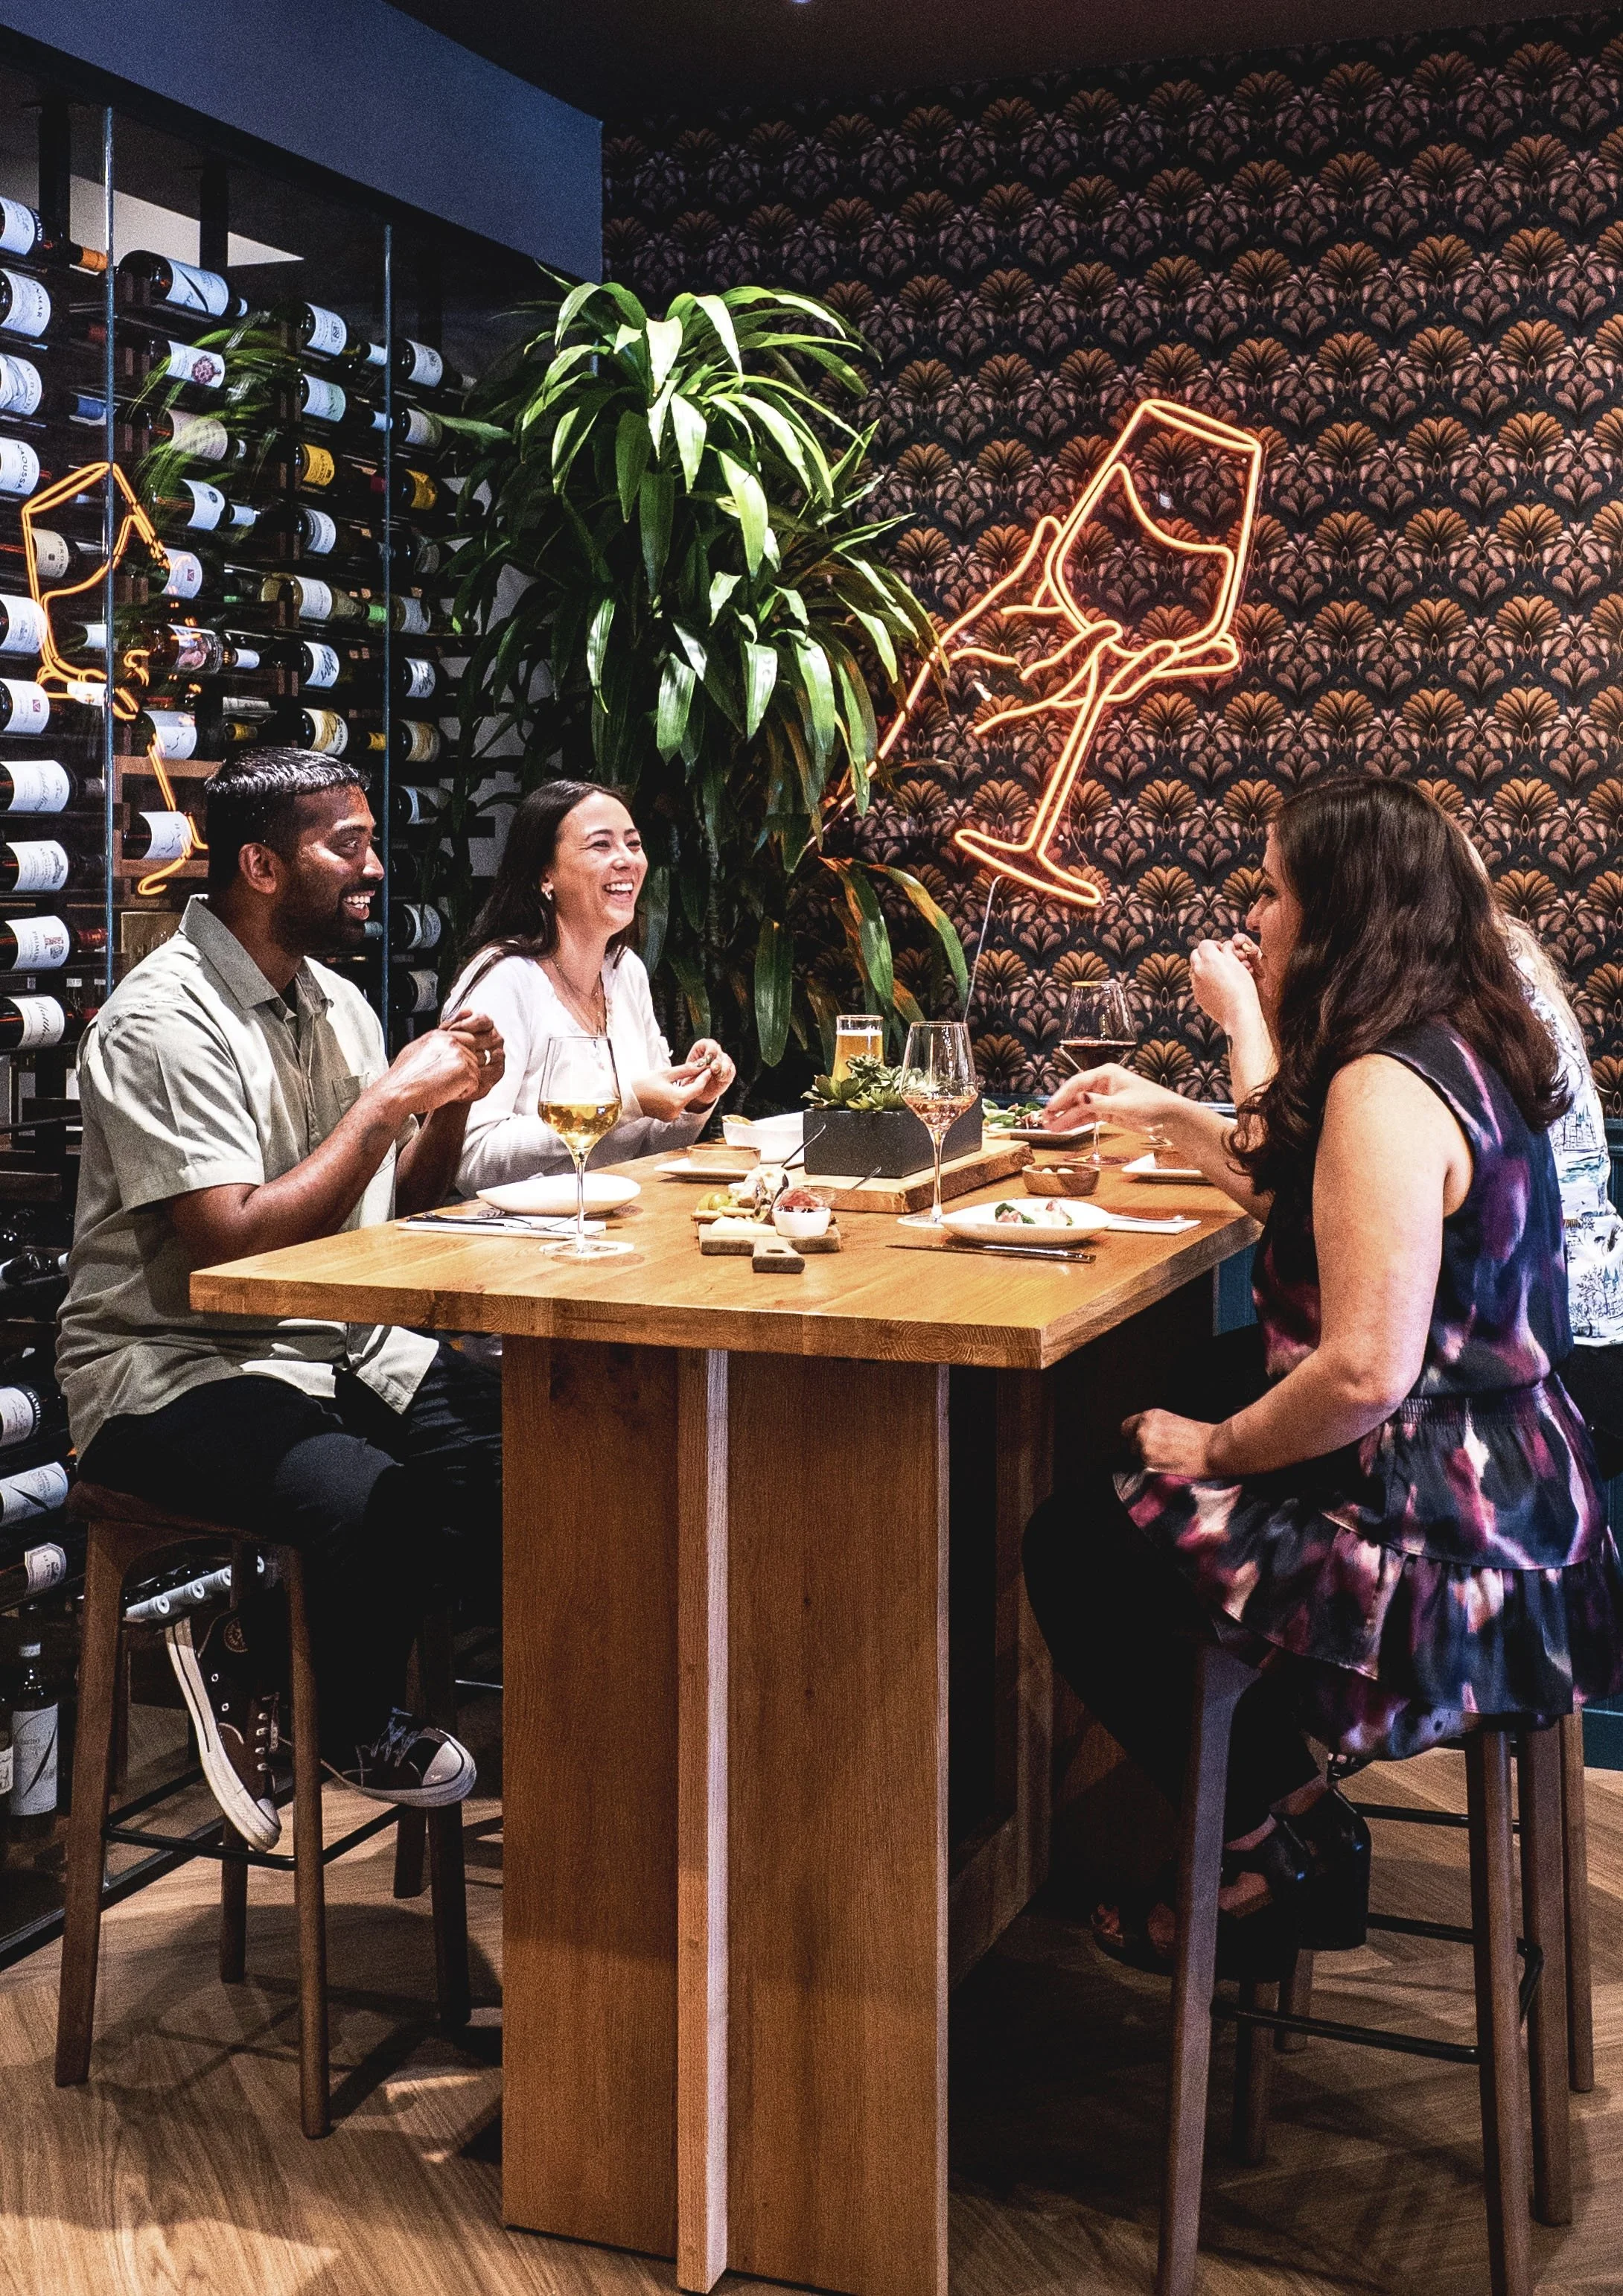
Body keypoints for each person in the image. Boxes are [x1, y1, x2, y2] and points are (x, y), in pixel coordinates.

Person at [1023, 776, 1623, 1975]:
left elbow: (1359, 1372)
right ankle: (1282, 1823)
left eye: (1277, 890)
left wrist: (1217, 1449)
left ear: (1344, 912)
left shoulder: (1384, 1087)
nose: (1259, 918)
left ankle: (1273, 1840)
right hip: (1525, 1498)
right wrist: (1174, 1118)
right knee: (1193, 1384)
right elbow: (1298, 1187)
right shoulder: (1462, 1039)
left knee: (1077, 1542)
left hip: (1447, 1550)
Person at [57, 749, 508, 1855]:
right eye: (345, 846)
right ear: (260, 865)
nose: (375, 870)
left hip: (329, 1344)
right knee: (370, 1502)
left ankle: (269, 1659)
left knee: (531, 1456)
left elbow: (395, 1215)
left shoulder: (337, 1003)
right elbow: (229, 1244)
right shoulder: (163, 1020)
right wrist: (390, 1099)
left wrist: (446, 1109)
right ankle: (337, 1725)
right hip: (168, 1368)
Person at [1193, 859, 1623, 1479]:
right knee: (1209, 1376)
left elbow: (1281, 1176)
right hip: (1526, 1349)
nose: (1252, 916)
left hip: (1534, 1378)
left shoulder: (1417, 1047)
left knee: (1192, 1399)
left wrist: (1242, 1020)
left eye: (1273, 892)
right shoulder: (1477, 988)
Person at [443, 779, 737, 1196]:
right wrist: (624, 1102)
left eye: (633, 845)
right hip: (521, 1244)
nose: (626, 861)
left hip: (616, 1233)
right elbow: (468, 1160)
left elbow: (646, 1155)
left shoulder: (624, 971)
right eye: (601, 846)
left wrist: (692, 1105)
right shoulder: (504, 980)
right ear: (545, 875)